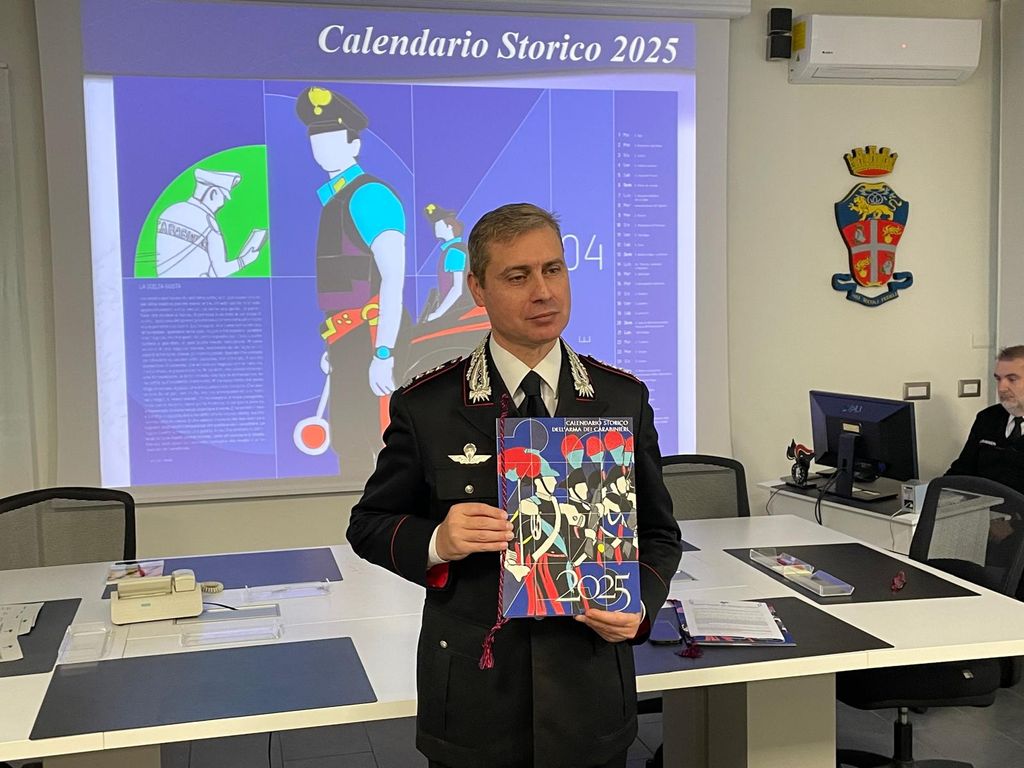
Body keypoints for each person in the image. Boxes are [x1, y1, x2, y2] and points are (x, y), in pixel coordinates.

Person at [347, 203, 682, 768]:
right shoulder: (428, 406)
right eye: (518, 276)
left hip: (589, 691)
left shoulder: (621, 398)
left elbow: (659, 533)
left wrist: (641, 606)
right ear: (477, 288)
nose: (543, 292)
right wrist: (437, 542)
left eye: (553, 269)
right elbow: (369, 525)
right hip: (475, 696)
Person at [295, 86, 409, 483]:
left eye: (333, 137)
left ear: (355, 145)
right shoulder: (333, 200)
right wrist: (336, 348)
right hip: (347, 337)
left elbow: (393, 277)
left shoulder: (369, 196)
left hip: (372, 333)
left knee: (373, 440)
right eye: (316, 138)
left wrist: (384, 352)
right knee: (348, 438)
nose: (322, 146)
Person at [155, 168, 263, 277]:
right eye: (223, 197)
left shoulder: (169, 211)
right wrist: (245, 260)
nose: (222, 203)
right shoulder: (209, 223)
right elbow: (220, 271)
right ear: (213, 193)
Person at [947, 345, 1024, 493]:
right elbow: (962, 470)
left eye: (1012, 379)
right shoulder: (988, 418)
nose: (1001, 388)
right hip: (984, 505)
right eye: (998, 379)